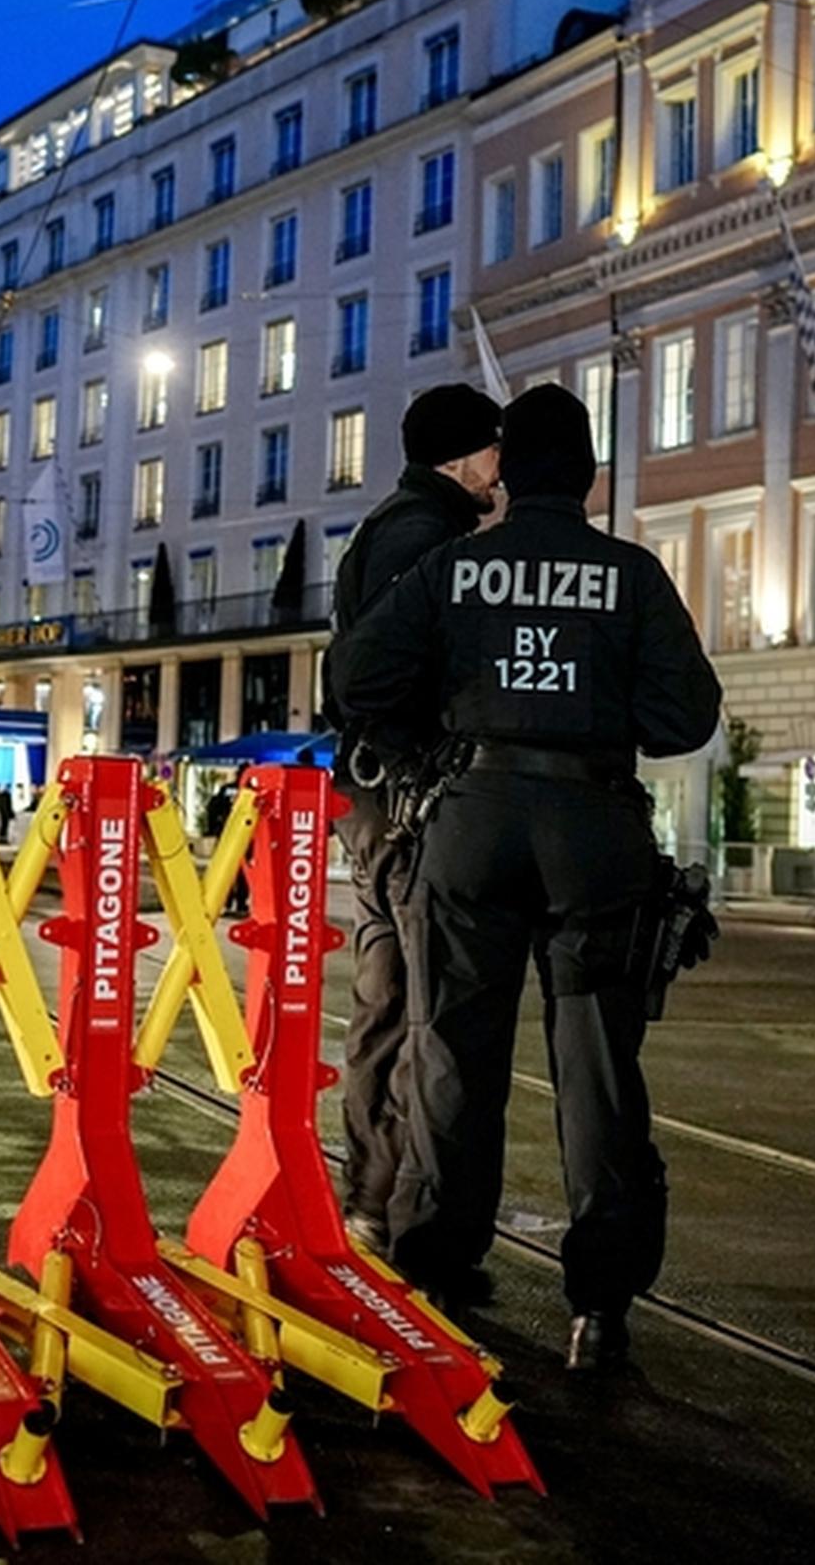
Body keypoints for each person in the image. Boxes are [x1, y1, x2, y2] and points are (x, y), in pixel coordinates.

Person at [327, 384, 721, 1370]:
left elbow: (354, 676)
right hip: (593, 828)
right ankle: (600, 1302)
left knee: (455, 1046)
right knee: (596, 1067)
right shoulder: (629, 576)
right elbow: (688, 718)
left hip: (473, 820)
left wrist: (453, 711)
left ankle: (438, 1261)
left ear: (511, 471)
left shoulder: (458, 567)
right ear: (585, 475)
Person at [320, 383, 502, 1254]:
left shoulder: (400, 525)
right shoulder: (421, 537)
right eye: (492, 450)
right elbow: (380, 668)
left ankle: (371, 1193)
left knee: (386, 991)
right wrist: (426, 747)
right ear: (463, 457)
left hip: (376, 791)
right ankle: (386, 1203)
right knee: (410, 998)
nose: (501, 466)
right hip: (402, 794)